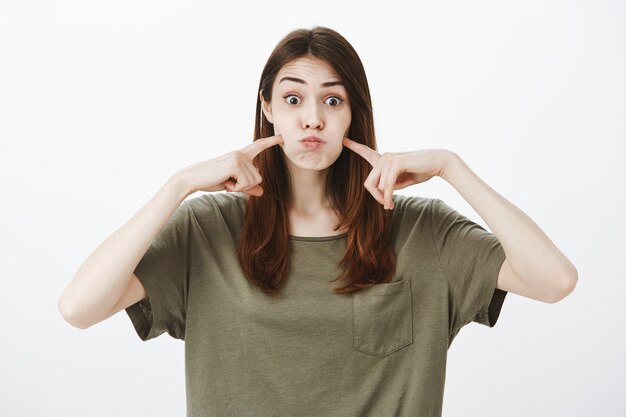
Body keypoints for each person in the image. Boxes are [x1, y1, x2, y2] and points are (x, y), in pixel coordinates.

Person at [58, 26, 578, 417]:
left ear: (355, 114)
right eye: (293, 99)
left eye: (333, 99)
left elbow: (554, 281)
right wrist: (178, 185)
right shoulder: (207, 228)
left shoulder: (421, 228)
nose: (313, 118)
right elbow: (79, 308)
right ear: (268, 109)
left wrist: (451, 167)